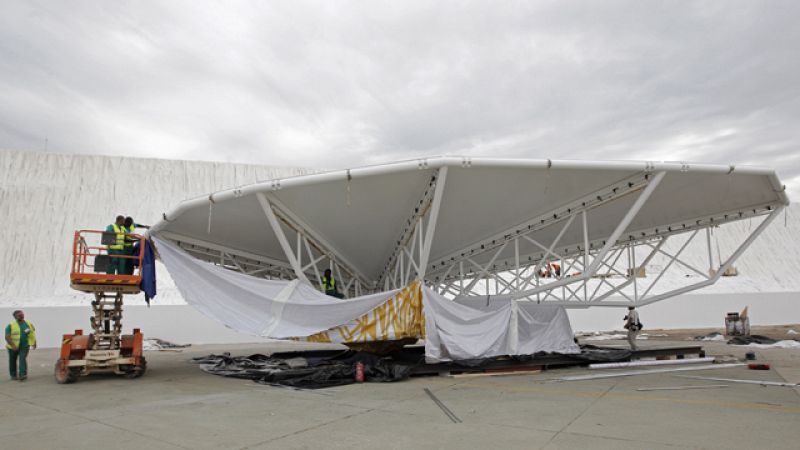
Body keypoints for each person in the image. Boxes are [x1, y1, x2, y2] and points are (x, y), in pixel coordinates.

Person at [5, 310, 36, 381]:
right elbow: (7, 336)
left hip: (24, 345)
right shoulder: (10, 325)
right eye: (19, 315)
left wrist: (34, 342)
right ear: (15, 317)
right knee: (12, 360)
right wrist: (13, 345)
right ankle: (13, 375)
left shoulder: (28, 323)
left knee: (22, 358)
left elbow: (32, 333)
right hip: (12, 347)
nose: (22, 316)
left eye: (22, 314)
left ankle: (23, 374)